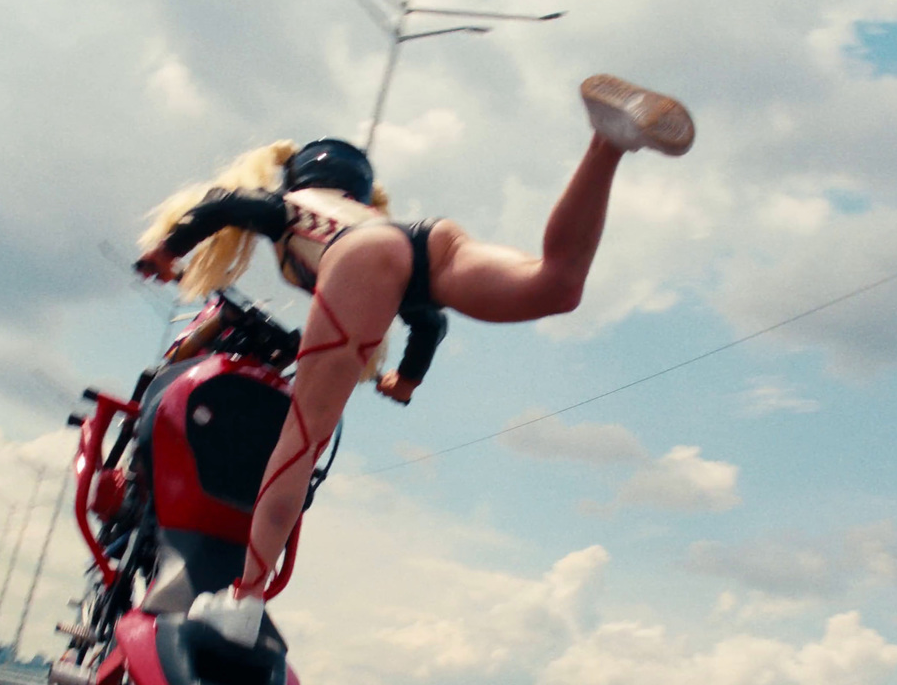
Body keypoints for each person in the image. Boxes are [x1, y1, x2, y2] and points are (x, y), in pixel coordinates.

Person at [135, 74, 694, 645]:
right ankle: (608, 143)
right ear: (361, 187)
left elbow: (226, 203)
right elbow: (428, 318)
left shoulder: (293, 206)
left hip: (353, 256)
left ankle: (243, 600)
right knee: (554, 284)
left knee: (300, 440)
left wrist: (168, 248)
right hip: (428, 240)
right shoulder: (372, 216)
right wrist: (407, 377)